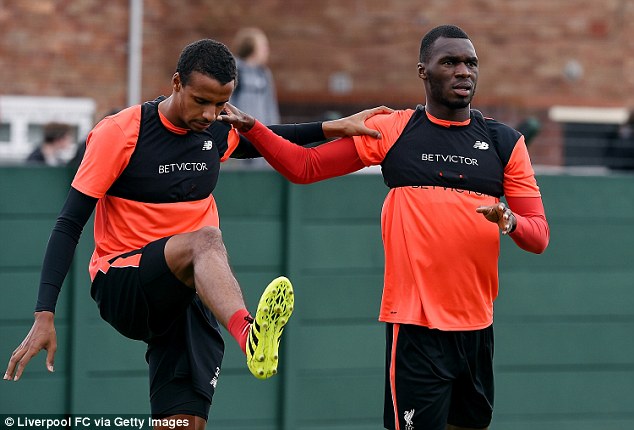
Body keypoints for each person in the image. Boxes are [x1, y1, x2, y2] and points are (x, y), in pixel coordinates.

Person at [4, 39, 388, 429]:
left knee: (184, 421)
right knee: (206, 238)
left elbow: (264, 138)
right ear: (176, 83)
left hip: (185, 294)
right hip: (124, 283)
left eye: (221, 105)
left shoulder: (216, 131)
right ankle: (250, 334)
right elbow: (69, 223)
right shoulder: (120, 133)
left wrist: (331, 127)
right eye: (201, 101)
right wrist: (44, 313)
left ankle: (243, 344)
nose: (210, 114)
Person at [220, 25, 550, 430]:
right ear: (423, 72)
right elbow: (305, 167)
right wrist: (253, 128)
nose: (463, 71)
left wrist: (509, 220)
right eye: (450, 62)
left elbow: (538, 236)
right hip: (415, 329)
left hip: (477, 330)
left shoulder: (504, 143)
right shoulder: (394, 129)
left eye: (470, 63)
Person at [231, 27, 280, 126]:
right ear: (251, 47)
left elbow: (270, 106)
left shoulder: (264, 73)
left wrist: (274, 130)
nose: (267, 50)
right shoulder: (235, 71)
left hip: (261, 131)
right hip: (241, 131)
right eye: (263, 46)